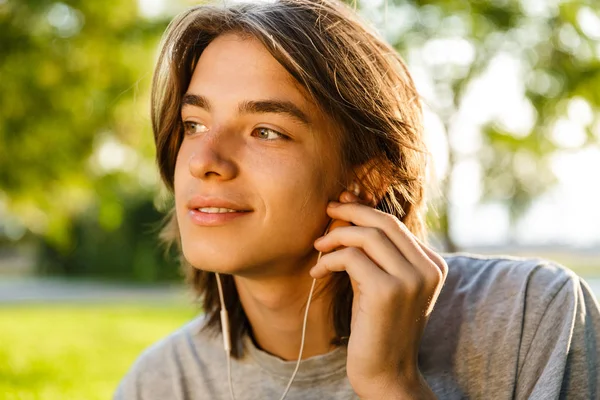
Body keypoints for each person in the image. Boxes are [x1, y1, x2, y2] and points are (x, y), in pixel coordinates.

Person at [114, 0, 600, 398]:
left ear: (368, 176)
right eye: (194, 124)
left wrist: (391, 384)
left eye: (266, 131)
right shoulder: (160, 383)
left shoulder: (530, 317)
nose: (204, 160)